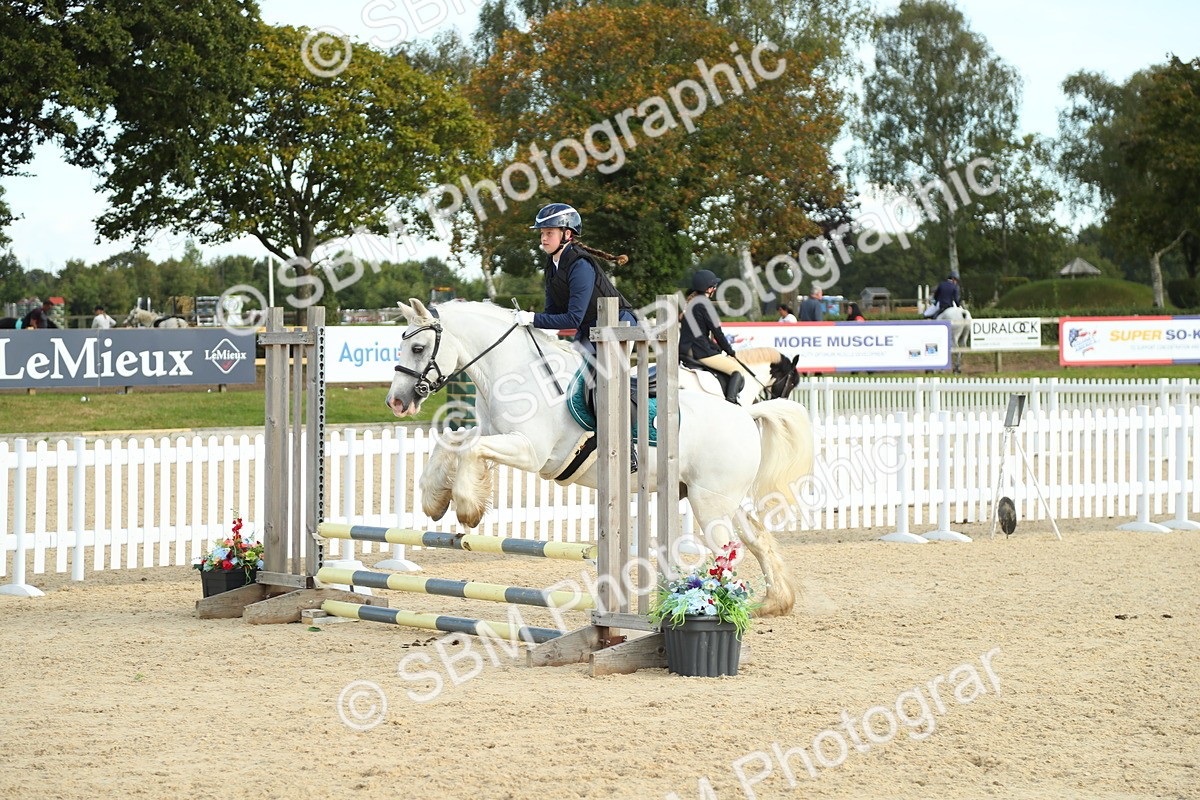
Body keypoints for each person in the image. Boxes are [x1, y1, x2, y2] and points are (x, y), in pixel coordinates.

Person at [515, 202, 640, 470]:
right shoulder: (552, 266)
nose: (543, 237)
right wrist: (529, 326)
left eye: (549, 232)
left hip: (617, 326)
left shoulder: (580, 265)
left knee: (602, 380)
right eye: (542, 232)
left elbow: (570, 319)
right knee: (572, 374)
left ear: (567, 235)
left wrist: (532, 317)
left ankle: (627, 448)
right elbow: (552, 315)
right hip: (590, 330)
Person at [679, 270, 746, 404]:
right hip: (700, 351)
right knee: (737, 370)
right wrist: (729, 351)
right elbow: (717, 332)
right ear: (709, 288)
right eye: (714, 286)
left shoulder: (692, 303)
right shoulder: (704, 304)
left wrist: (716, 348)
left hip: (687, 348)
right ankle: (731, 402)